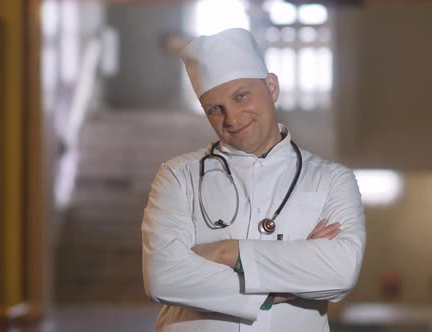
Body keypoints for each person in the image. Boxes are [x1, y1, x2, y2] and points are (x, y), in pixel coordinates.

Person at [141, 28, 366, 332]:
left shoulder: (333, 180)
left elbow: (340, 271)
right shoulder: (178, 176)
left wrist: (227, 251)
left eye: (241, 96)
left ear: (272, 87)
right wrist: (288, 282)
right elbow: (163, 277)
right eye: (215, 109)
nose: (232, 119)